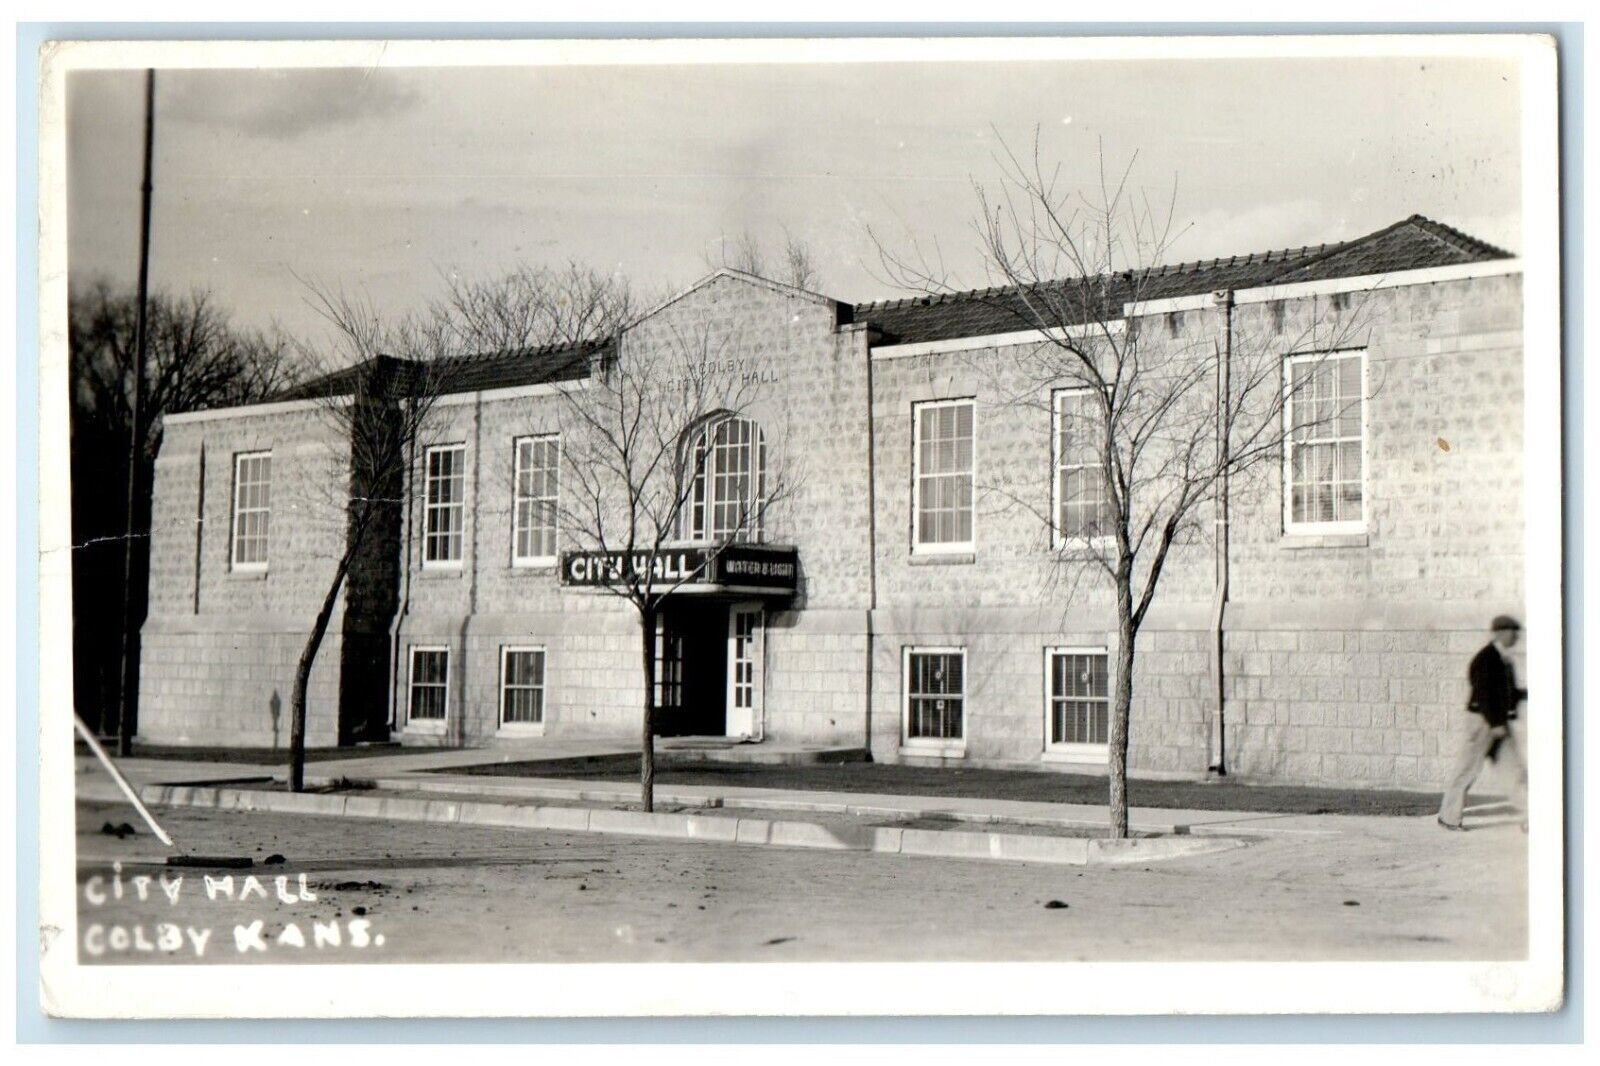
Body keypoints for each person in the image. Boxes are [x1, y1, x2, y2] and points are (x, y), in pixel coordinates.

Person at [1438, 615, 1528, 830]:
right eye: (1511, 630)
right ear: (1499, 633)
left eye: (1516, 631)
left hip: (1498, 723)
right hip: (1483, 723)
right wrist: (1496, 723)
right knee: (1467, 769)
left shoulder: (1504, 659)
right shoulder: (1486, 659)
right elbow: (1483, 694)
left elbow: (1507, 693)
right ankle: (1449, 817)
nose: (1516, 635)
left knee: (1512, 768)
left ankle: (1533, 814)